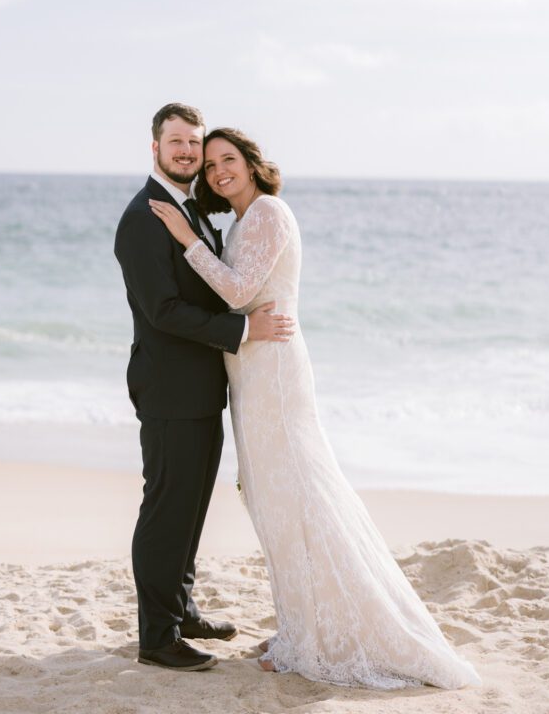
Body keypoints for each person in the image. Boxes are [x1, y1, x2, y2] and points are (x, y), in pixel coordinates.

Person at [148, 126, 482, 690]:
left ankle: (315, 637)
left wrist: (186, 237)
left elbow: (236, 291)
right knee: (272, 502)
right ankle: (300, 626)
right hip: (250, 372)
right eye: (208, 166)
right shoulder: (243, 219)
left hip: (274, 374)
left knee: (296, 497)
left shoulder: (271, 213)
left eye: (228, 159)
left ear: (252, 164)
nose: (218, 171)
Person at [114, 104, 295, 673]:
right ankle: (158, 636)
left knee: (190, 507)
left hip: (201, 387)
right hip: (169, 388)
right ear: (155, 148)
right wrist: (243, 329)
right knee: (167, 508)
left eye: (195, 142)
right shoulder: (144, 218)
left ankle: (182, 609)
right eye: (178, 143)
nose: (189, 152)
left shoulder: (189, 209)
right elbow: (163, 310)